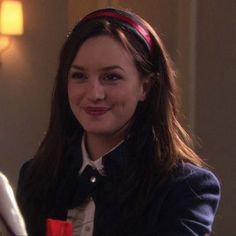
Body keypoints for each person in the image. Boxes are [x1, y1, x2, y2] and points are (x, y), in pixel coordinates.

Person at [17, 8, 220, 236]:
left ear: (146, 86)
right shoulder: (37, 176)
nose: (94, 93)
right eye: (79, 76)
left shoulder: (185, 188)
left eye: (111, 77)